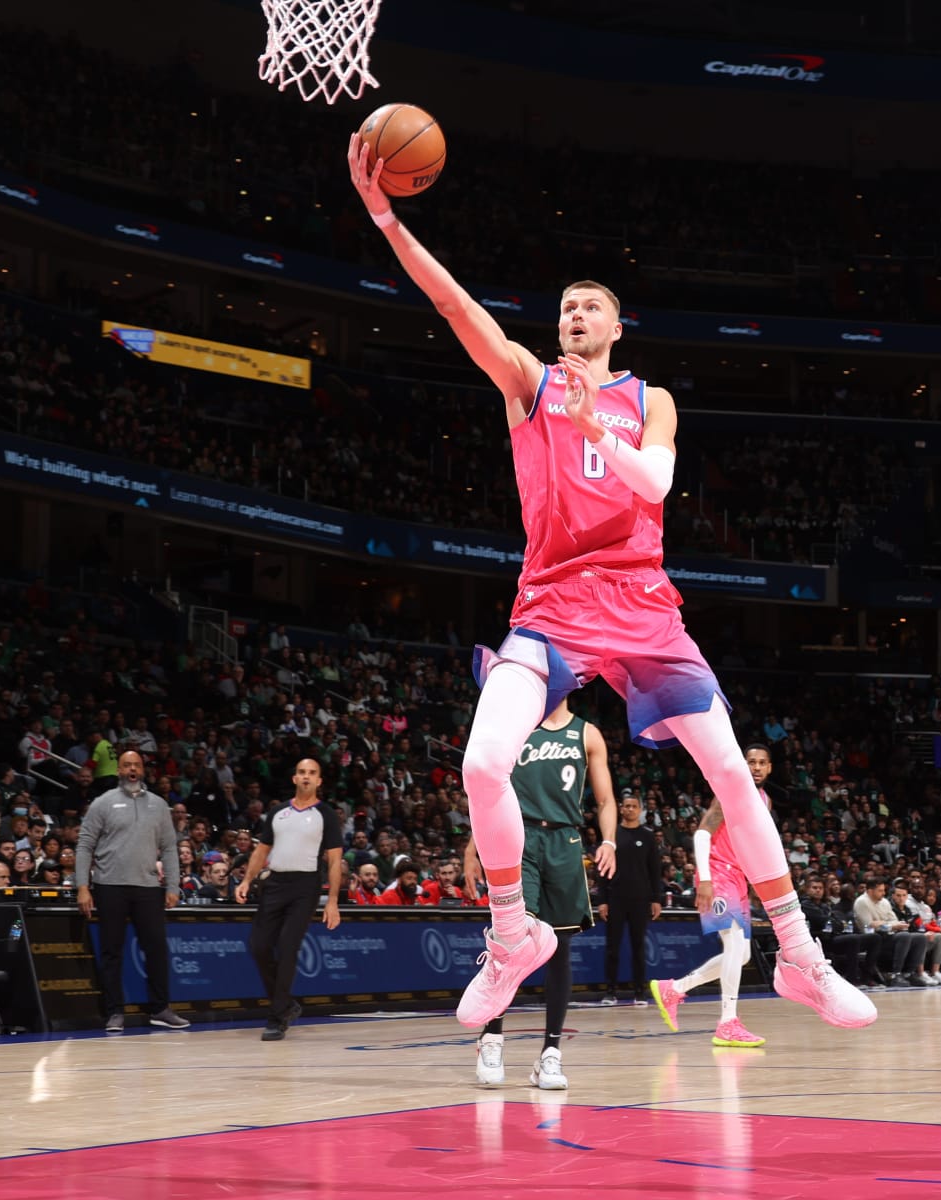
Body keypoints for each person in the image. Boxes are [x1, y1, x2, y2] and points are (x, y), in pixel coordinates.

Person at [346, 139, 872, 1033]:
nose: (576, 314)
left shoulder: (650, 398)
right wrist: (389, 219)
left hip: (641, 605)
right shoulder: (529, 384)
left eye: (591, 305)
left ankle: (800, 956)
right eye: (565, 308)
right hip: (552, 605)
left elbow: (657, 487)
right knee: (480, 763)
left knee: (734, 777)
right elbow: (453, 305)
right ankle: (512, 936)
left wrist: (603, 423)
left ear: (618, 325)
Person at [469, 698, 616, 1090]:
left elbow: (604, 799)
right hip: (518, 834)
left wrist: (610, 842)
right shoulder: (517, 724)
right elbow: (487, 792)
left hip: (565, 840)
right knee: (511, 941)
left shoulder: (587, 733)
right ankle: (491, 1036)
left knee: (560, 947)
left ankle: (550, 1053)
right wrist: (473, 846)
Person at [652, 743, 778, 1047]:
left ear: (770, 768)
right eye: (751, 762)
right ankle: (727, 1022)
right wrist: (705, 879)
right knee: (734, 943)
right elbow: (702, 833)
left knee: (743, 953)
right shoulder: (731, 792)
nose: (757, 767)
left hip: (737, 877)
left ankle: (675, 987)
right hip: (718, 873)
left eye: (762, 763)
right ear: (743, 765)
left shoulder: (765, 800)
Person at [74, 749, 189, 1033]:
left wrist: (172, 885)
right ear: (119, 770)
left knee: (157, 950)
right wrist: (82, 887)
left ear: (143, 769)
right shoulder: (103, 803)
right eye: (127, 765)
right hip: (109, 885)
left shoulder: (160, 805)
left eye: (136, 765)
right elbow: (85, 846)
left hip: (149, 887)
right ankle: (114, 1012)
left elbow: (170, 848)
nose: (132, 770)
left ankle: (160, 1009)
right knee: (112, 951)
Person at [234, 758, 342, 1042]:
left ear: (319, 781)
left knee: (287, 946)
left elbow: (334, 860)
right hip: (274, 883)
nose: (306, 777)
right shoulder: (278, 812)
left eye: (312, 773)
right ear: (295, 778)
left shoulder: (326, 814)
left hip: (305, 886)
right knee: (258, 946)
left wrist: (332, 900)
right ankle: (286, 1004)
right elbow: (261, 850)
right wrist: (247, 879)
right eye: (302, 772)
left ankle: (276, 1016)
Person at [597, 793, 659, 1006]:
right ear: (621, 809)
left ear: (640, 810)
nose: (630, 809)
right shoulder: (612, 835)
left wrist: (656, 899)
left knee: (638, 947)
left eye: (634, 806)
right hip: (616, 898)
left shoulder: (649, 836)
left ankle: (640, 992)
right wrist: (602, 900)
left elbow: (655, 871)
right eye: (627, 806)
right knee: (612, 947)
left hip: (640, 900)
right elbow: (602, 869)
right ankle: (610, 991)